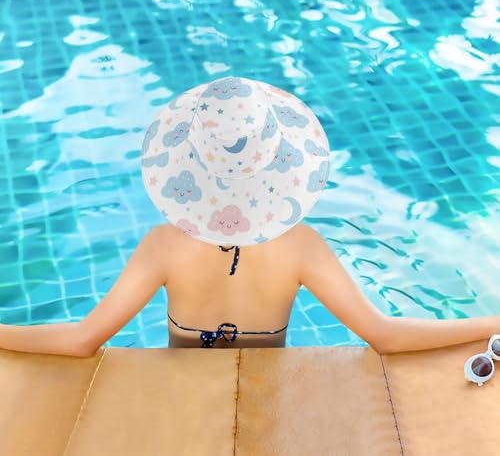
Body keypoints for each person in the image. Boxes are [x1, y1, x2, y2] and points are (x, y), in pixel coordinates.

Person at [0, 76, 498, 356]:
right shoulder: (301, 246)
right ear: (281, 163)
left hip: (182, 399)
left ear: (187, 166)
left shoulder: (162, 245)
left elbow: (82, 340)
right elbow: (385, 336)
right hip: (269, 397)